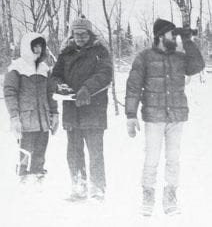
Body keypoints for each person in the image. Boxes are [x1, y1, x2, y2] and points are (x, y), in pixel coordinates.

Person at [125, 19, 205, 216]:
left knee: (173, 159)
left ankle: (170, 195)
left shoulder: (179, 57)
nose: (175, 38)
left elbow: (198, 65)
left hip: (176, 116)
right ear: (161, 36)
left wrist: (188, 41)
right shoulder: (144, 57)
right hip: (154, 117)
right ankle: (148, 194)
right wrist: (130, 114)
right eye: (172, 34)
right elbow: (134, 86)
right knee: (151, 158)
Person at [50, 16, 112, 202]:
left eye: (83, 34)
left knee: (95, 152)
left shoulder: (100, 51)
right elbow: (55, 76)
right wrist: (59, 86)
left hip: (93, 109)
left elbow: (105, 74)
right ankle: (78, 187)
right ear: (72, 34)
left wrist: (87, 88)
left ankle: (97, 189)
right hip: (72, 110)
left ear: (90, 34)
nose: (80, 37)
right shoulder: (65, 54)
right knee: (74, 152)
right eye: (76, 34)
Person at [3, 32, 59, 188]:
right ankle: (23, 177)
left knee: (41, 148)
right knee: (26, 149)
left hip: (43, 119)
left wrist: (54, 113)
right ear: (27, 47)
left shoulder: (44, 68)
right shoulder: (16, 67)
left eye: (40, 45)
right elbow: (10, 93)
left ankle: (38, 175)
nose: (38, 49)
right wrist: (14, 116)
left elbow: (50, 93)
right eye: (35, 46)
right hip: (26, 119)